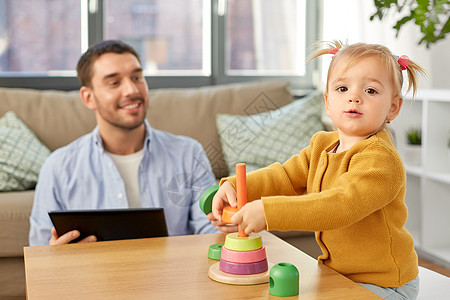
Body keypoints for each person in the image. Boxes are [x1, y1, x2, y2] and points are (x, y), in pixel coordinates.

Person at [208, 41, 426, 299]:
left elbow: (340, 205)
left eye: (370, 90)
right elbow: (284, 176)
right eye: (342, 88)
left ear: (393, 107)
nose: (354, 97)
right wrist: (235, 187)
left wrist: (268, 211)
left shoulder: (381, 160)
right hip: (338, 275)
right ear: (327, 101)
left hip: (385, 285)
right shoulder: (321, 145)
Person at [29, 40, 218, 246]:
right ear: (88, 97)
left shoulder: (189, 154)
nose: (131, 90)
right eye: (114, 82)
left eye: (137, 77)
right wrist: (57, 258)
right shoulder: (58, 167)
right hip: (91, 278)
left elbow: (211, 233)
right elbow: (39, 252)